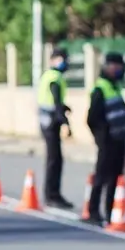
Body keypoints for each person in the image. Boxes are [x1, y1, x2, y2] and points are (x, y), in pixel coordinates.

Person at [84, 52, 125, 226]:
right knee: (101, 177)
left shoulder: (115, 86)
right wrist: (102, 138)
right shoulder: (100, 88)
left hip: (119, 141)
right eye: (118, 67)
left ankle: (111, 211)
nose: (121, 70)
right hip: (107, 141)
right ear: (110, 67)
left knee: (115, 178)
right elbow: (92, 118)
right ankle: (93, 211)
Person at [38, 48, 74, 209]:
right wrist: (66, 123)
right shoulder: (54, 77)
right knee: (54, 160)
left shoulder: (49, 75)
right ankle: (52, 195)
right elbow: (56, 101)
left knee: (54, 159)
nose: (65, 62)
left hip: (47, 122)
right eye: (63, 59)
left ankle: (52, 194)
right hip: (51, 124)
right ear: (54, 60)